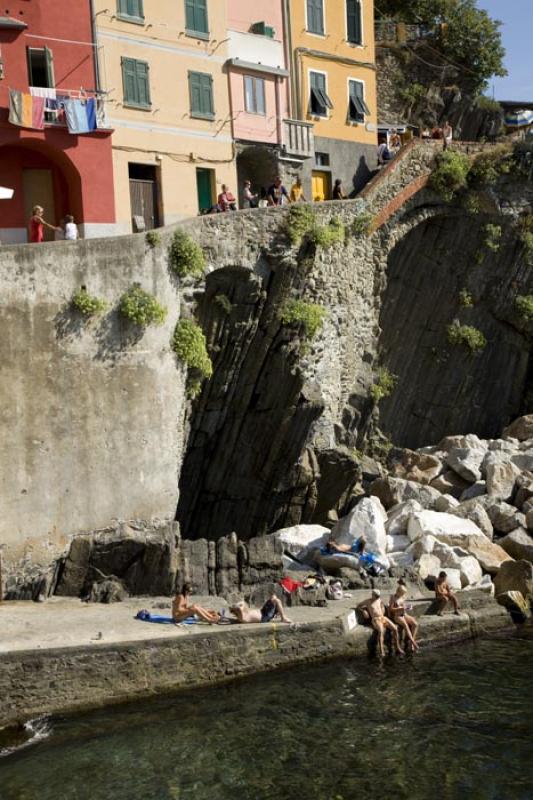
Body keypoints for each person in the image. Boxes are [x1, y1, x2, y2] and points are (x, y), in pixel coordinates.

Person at [357, 589, 404, 657]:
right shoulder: (368, 601)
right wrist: (364, 611)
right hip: (376, 619)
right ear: (373, 595)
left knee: (395, 629)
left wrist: (382, 608)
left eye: (378, 596)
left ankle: (398, 647)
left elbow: (381, 604)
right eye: (376, 596)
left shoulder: (379, 599)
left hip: (383, 618)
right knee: (381, 631)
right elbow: (358, 605)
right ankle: (381, 651)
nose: (377, 597)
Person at [388, 579, 418, 652]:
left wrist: (408, 608)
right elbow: (391, 609)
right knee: (406, 625)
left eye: (404, 593)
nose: (403, 595)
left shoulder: (403, 597)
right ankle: (413, 643)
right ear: (398, 591)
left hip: (404, 614)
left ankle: (411, 641)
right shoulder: (393, 597)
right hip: (397, 616)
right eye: (402, 593)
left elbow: (404, 606)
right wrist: (400, 608)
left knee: (415, 624)